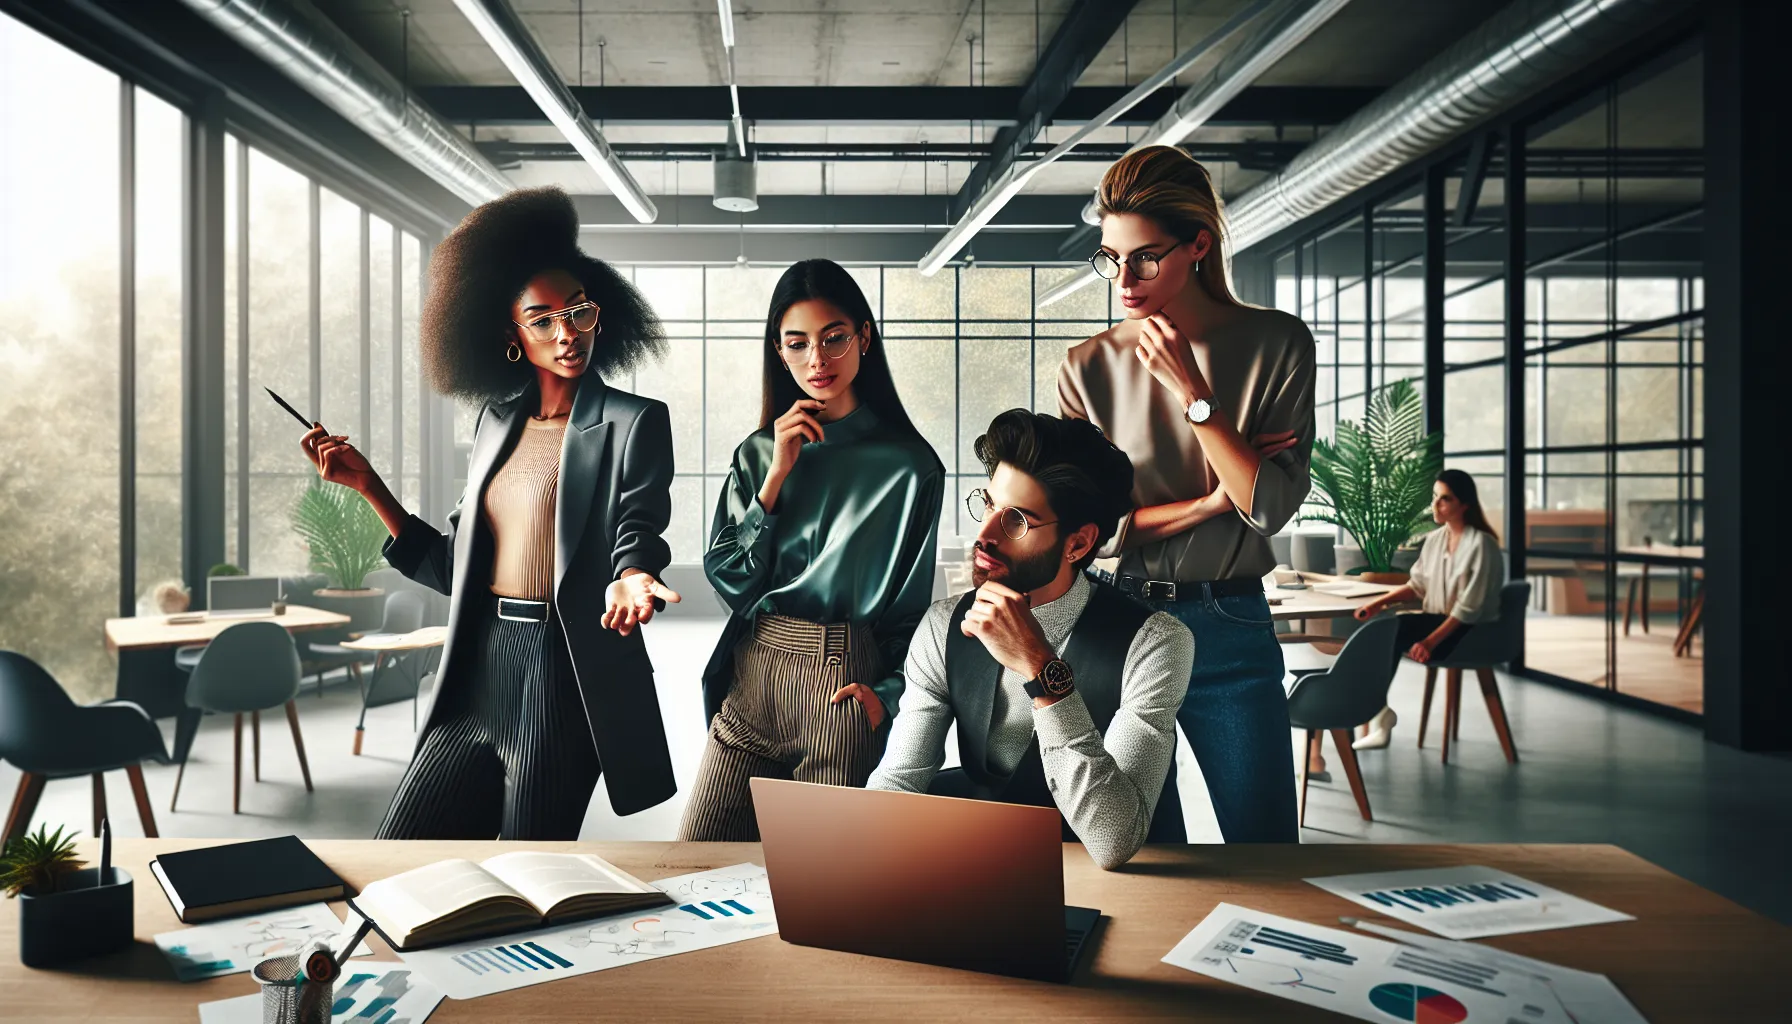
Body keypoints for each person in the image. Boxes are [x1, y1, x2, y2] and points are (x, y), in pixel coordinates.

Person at [301, 186, 681, 840]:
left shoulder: (633, 422)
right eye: (543, 320)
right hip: (479, 668)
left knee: (529, 870)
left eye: (579, 312)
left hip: (563, 673)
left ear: (598, 315)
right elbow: (456, 566)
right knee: (402, 851)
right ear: (512, 335)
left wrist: (633, 573)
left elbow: (636, 526)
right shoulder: (496, 423)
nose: (566, 334)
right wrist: (369, 487)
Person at [1057, 145, 1314, 843]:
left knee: (1265, 848)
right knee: (1141, 851)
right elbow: (1091, 534)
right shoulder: (1086, 367)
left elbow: (1267, 507)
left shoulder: (1277, 344)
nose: (1124, 279)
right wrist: (1208, 504)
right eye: (1110, 258)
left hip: (1230, 622)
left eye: (1145, 257)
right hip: (1119, 624)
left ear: (1198, 244)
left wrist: (1194, 393)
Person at [677, 259, 943, 841]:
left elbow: (912, 607)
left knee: (820, 881)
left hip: (842, 680)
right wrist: (776, 477)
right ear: (778, 350)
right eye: (797, 345)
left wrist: (888, 695)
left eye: (834, 339)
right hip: (755, 671)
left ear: (864, 337)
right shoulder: (758, 453)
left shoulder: (911, 467)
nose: (817, 361)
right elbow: (730, 580)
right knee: (697, 859)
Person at [868, 410, 1194, 870]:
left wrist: (1040, 669)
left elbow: (1114, 840)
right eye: (988, 504)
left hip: (1131, 883)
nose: (984, 534)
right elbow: (899, 781)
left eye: (1016, 521)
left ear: (1078, 545)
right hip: (996, 868)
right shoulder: (944, 625)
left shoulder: (1157, 644)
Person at [1348, 469, 1505, 749]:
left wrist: (1430, 641)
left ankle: (1378, 715)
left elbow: (1469, 608)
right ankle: (1379, 713)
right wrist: (1376, 603)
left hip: (1471, 633)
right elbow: (1417, 585)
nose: (1435, 505)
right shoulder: (1435, 540)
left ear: (1464, 504)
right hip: (1442, 622)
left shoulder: (1482, 545)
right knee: (1383, 629)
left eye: (1445, 499)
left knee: (1394, 631)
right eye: (1435, 497)